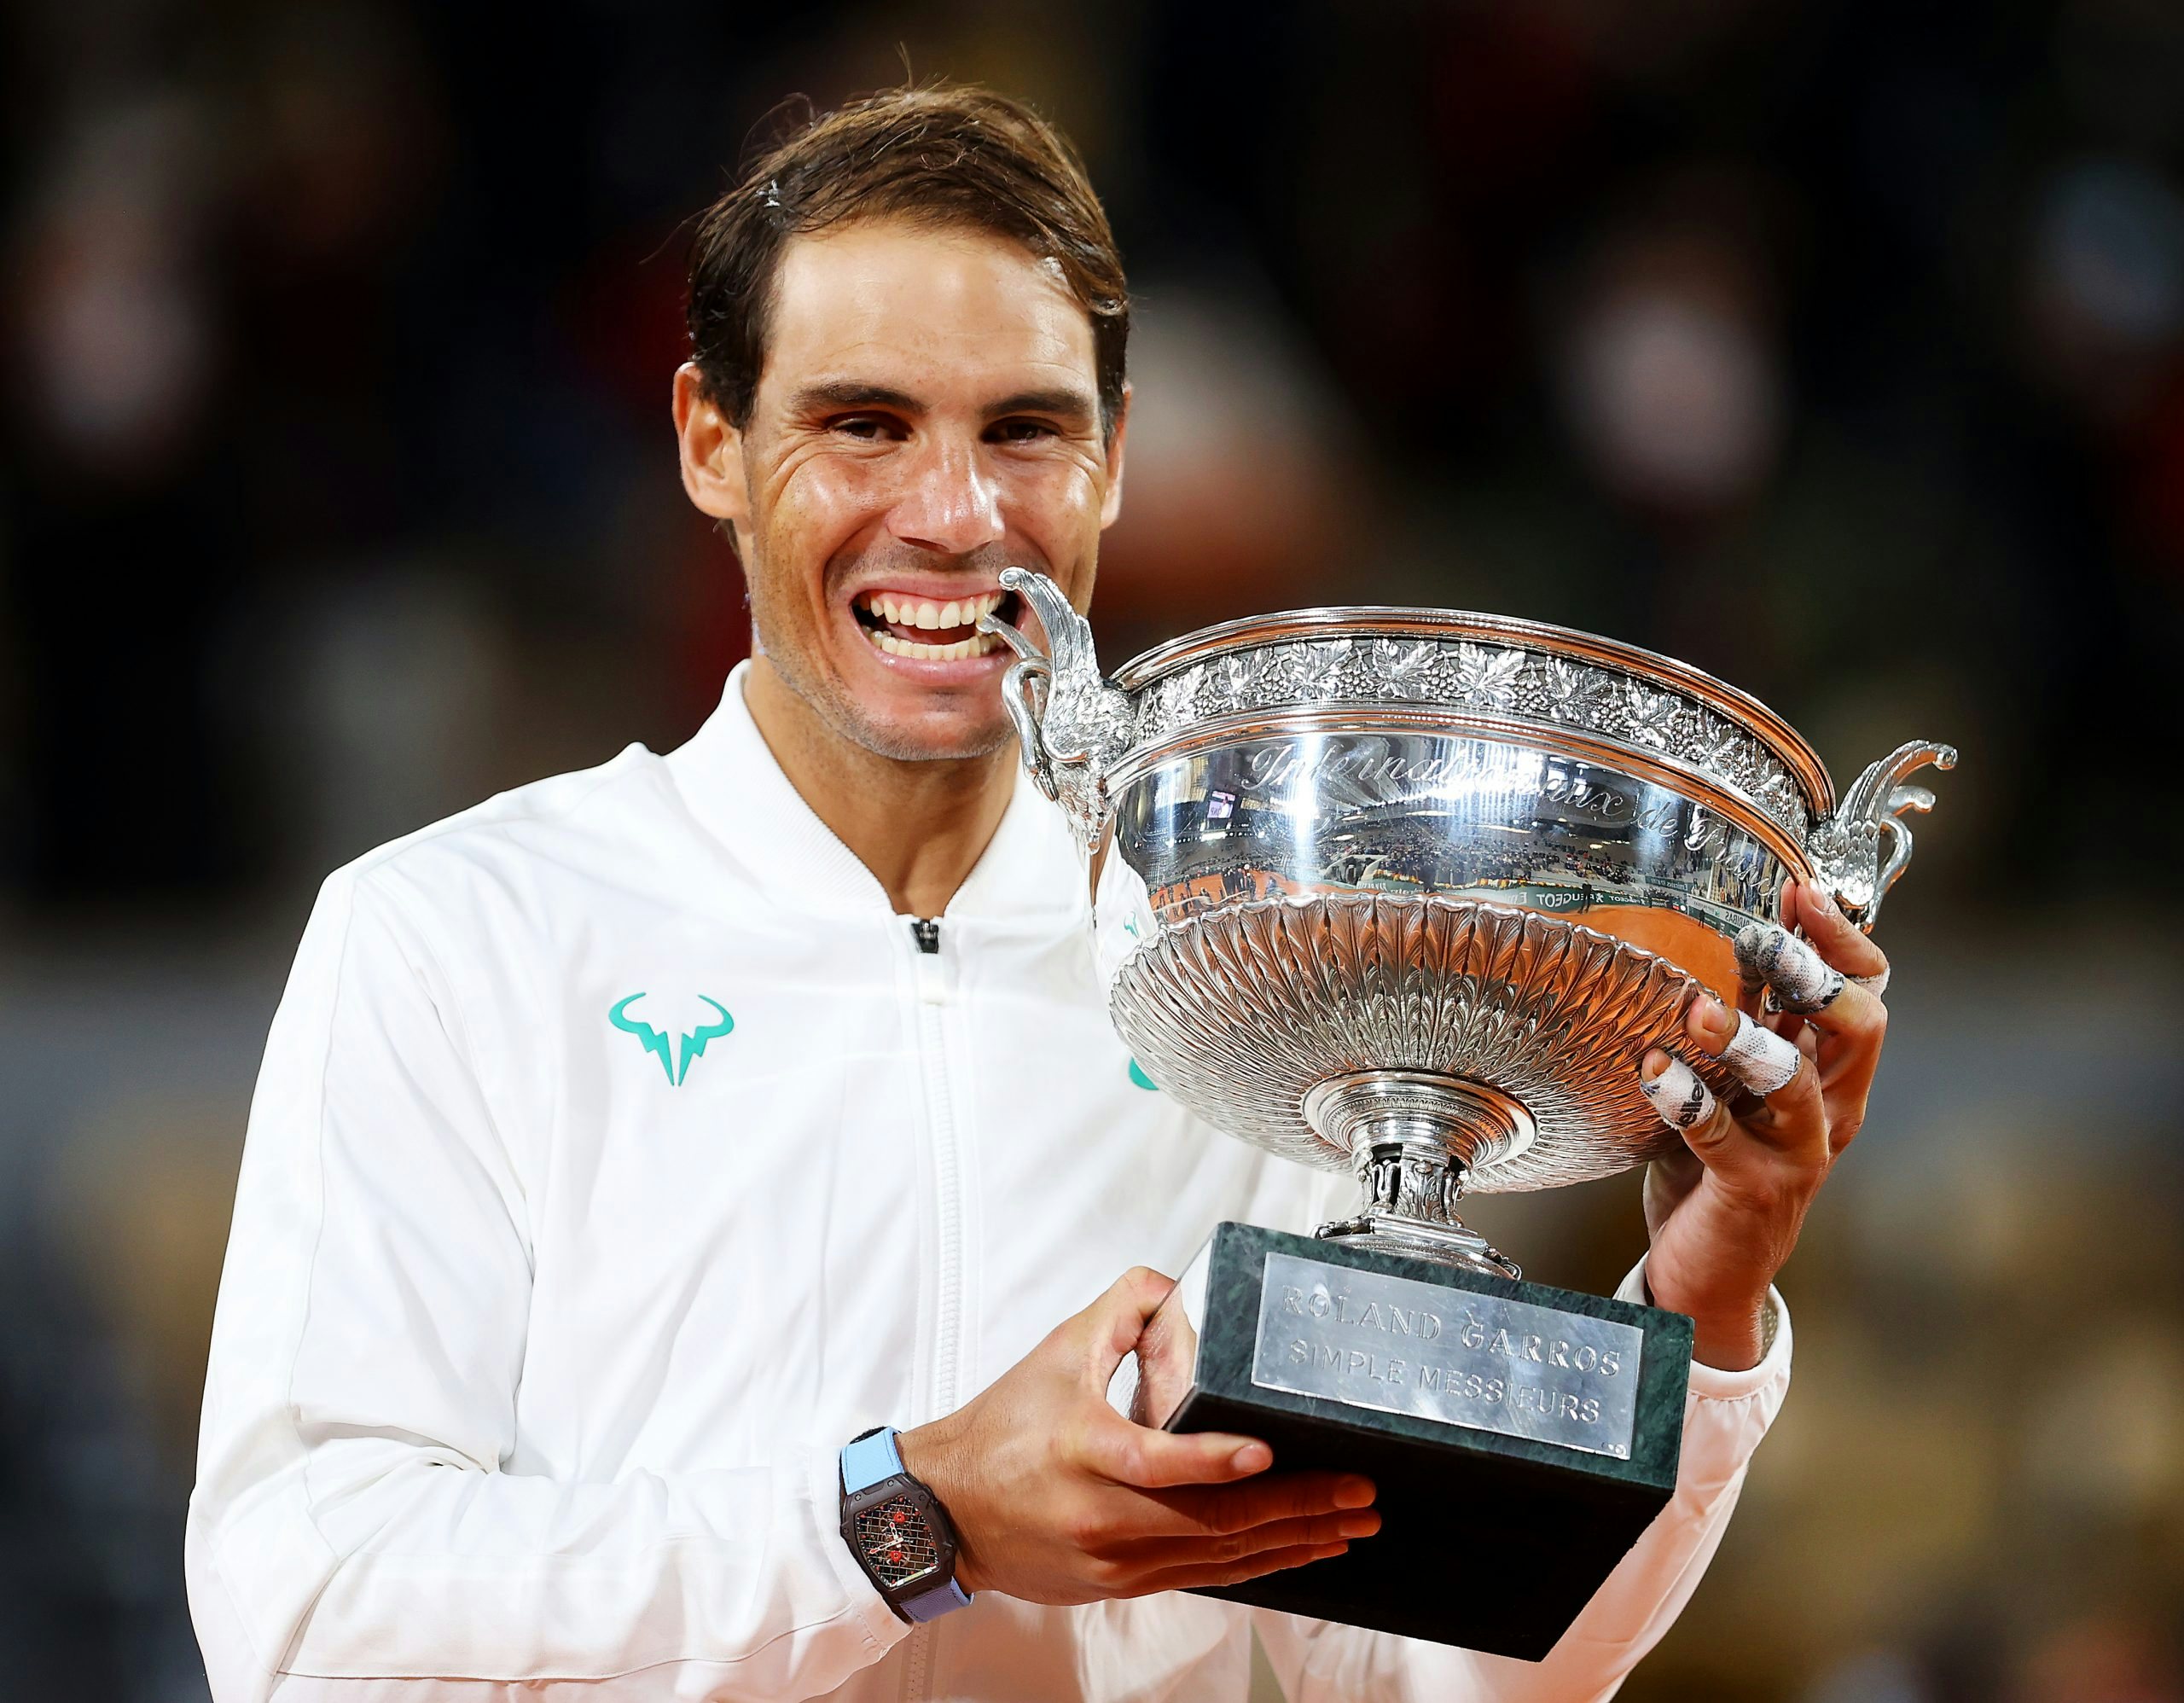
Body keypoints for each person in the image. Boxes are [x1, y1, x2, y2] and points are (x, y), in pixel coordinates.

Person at [186, 84, 1894, 1702]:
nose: (952, 513)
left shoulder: (1247, 967)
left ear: (1115, 457)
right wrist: (905, 1514)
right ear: (711, 437)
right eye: (863, 425)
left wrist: (1706, 1305)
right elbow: (307, 1608)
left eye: (1023, 431)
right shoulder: (460, 933)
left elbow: (1427, 1673)